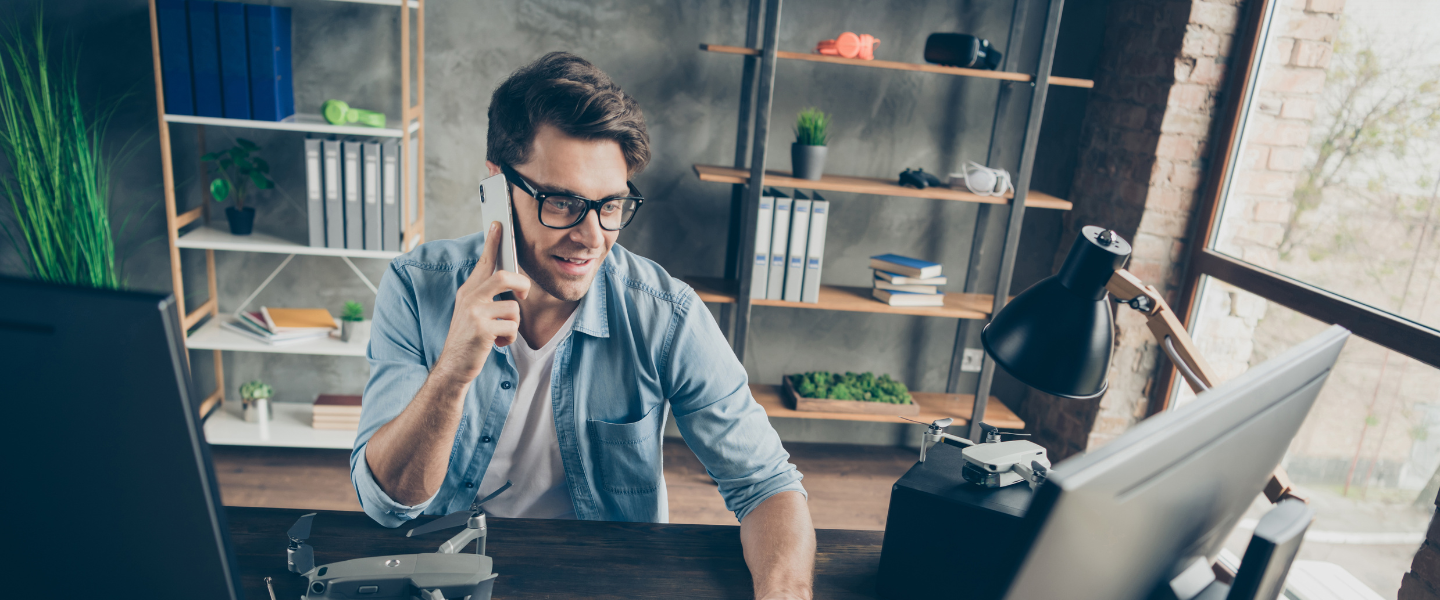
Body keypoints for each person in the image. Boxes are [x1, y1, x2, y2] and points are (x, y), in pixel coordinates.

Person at [351, 52, 815, 599]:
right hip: (446, 577)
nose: (592, 235)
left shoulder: (667, 314)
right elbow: (388, 503)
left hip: (606, 581)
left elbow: (766, 485)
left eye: (610, 205)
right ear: (497, 188)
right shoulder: (416, 285)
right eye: (563, 202)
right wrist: (452, 371)